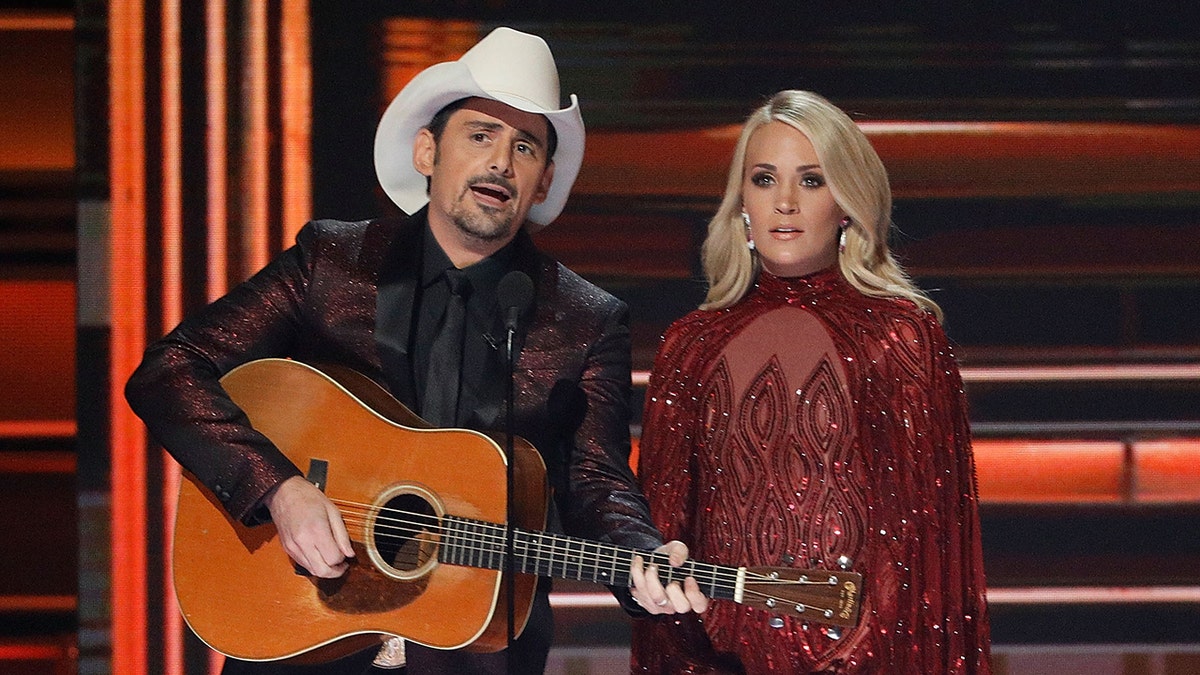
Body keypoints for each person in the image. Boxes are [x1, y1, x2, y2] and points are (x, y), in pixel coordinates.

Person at [125, 27, 704, 675]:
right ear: (428, 149)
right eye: (480, 135)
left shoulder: (584, 319)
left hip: (472, 647)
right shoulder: (333, 262)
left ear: (543, 182)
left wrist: (640, 554)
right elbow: (170, 371)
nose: (500, 163)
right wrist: (279, 488)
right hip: (300, 632)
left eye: (525, 146)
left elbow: (595, 478)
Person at [630, 90, 991, 673]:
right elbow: (663, 535)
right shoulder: (688, 347)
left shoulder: (900, 338)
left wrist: (852, 659)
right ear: (741, 201)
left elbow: (921, 550)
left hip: (866, 659)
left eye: (813, 181)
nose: (786, 203)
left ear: (848, 203)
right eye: (765, 179)